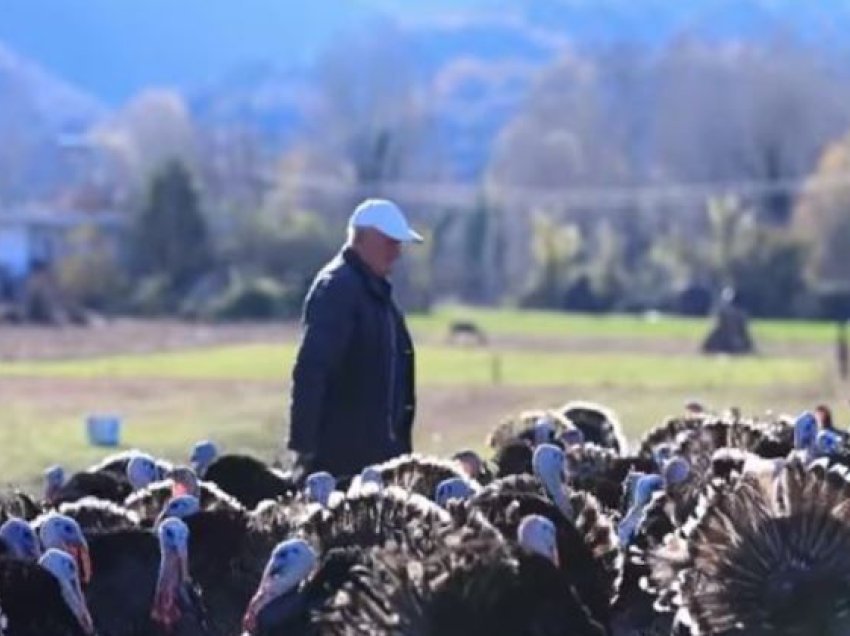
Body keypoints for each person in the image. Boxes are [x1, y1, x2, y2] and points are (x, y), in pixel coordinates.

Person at [287, 198, 423, 483]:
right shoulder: (338, 288)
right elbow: (312, 371)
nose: (397, 252)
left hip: (375, 463)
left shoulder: (373, 292)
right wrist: (305, 452)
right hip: (341, 466)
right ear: (362, 239)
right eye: (389, 242)